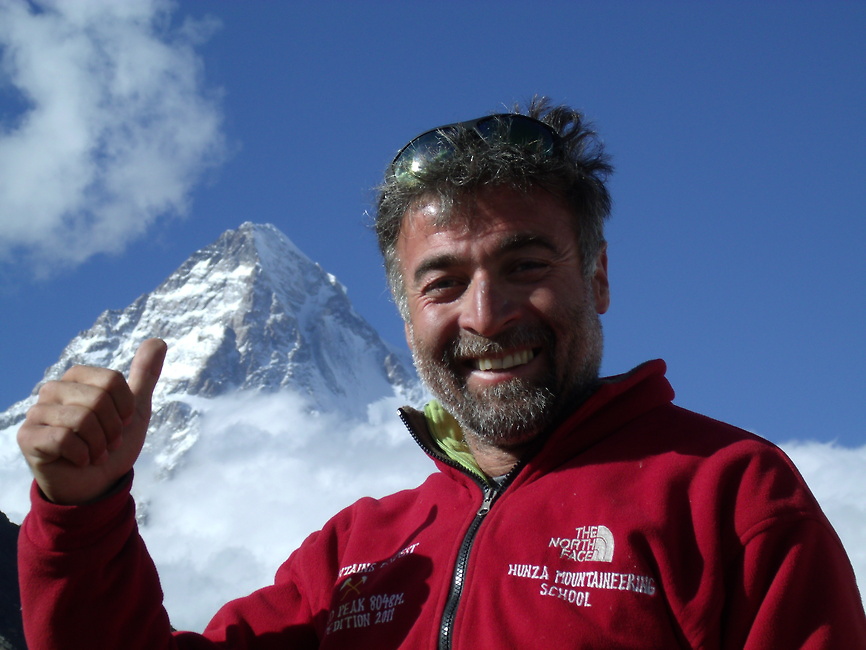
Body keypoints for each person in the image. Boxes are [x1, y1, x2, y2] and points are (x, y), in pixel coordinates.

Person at [16, 99, 866, 649]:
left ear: (598, 276)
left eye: (525, 264)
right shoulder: (356, 551)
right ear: (405, 312)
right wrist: (82, 513)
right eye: (444, 282)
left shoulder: (731, 498)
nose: (486, 315)